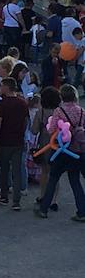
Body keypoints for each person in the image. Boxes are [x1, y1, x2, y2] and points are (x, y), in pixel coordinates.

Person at [37, 84, 85, 221]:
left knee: (53, 178)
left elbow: (51, 130)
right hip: (76, 150)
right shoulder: (81, 111)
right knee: (75, 181)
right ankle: (82, 211)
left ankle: (44, 208)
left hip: (61, 150)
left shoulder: (59, 111)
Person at [0, 77, 29, 210]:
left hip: (5, 140)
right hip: (18, 140)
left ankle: (4, 195)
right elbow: (26, 120)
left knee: (4, 169)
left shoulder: (2, 104)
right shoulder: (22, 103)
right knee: (16, 170)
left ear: (7, 87)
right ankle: (16, 200)